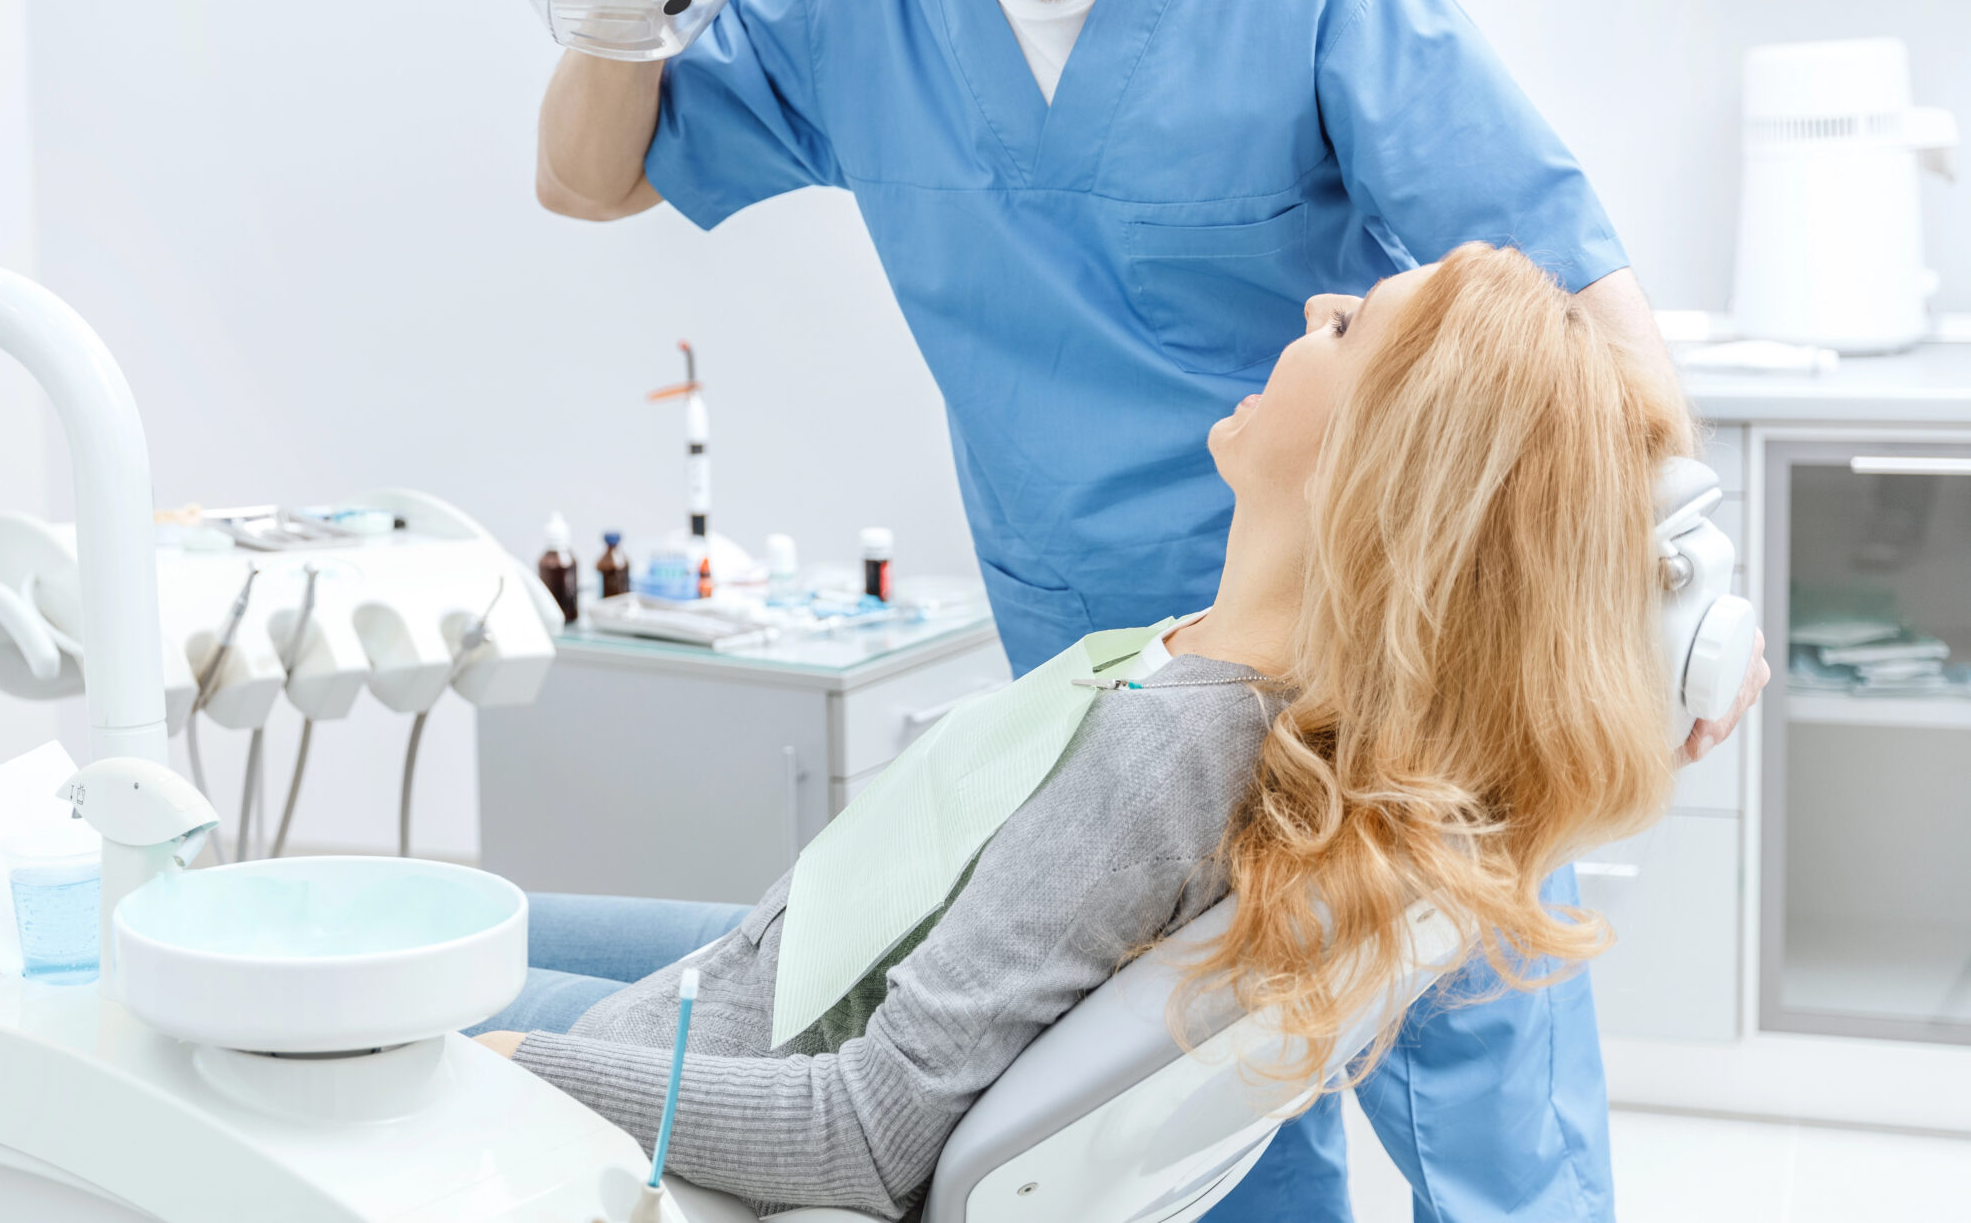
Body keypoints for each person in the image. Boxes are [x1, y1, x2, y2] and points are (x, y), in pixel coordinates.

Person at [531, 0, 1763, 1217]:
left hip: (1379, 642)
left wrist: (1685, 564)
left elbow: (1549, 269)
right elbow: (595, 179)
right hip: (1109, 656)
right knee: (1189, 1100)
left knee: (1483, 1080)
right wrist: (622, 8)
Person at [477, 246, 1733, 1218]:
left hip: (730, 1064)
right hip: (776, 965)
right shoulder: (1231, 666)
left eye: (1349, 330)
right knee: (462, 908)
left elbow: (859, 1133)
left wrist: (492, 1061)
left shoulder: (1167, 755)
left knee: (334, 994)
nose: (1312, 312)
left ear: (1375, 458)